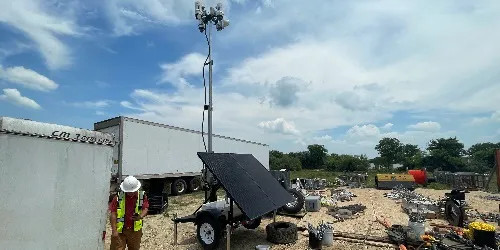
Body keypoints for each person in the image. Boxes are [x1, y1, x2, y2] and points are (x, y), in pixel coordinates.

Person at [109, 176, 149, 250]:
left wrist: (140, 216)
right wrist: (114, 230)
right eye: (128, 192)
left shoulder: (142, 196)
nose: (130, 193)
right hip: (120, 230)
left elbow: (145, 209)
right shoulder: (118, 197)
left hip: (135, 231)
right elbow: (113, 214)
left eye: (132, 191)